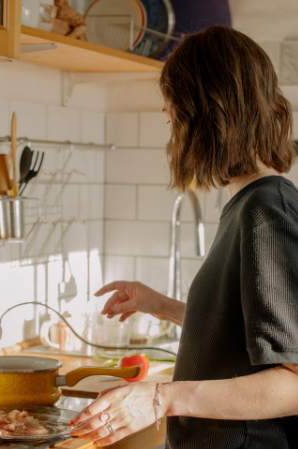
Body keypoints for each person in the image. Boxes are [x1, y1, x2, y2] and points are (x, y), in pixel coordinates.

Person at [69, 26, 298, 448]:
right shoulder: (249, 204)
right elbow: (239, 337)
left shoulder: (266, 211)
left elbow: (293, 383)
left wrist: (160, 399)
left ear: (205, 116)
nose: (172, 126)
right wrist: (159, 305)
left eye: (175, 113)